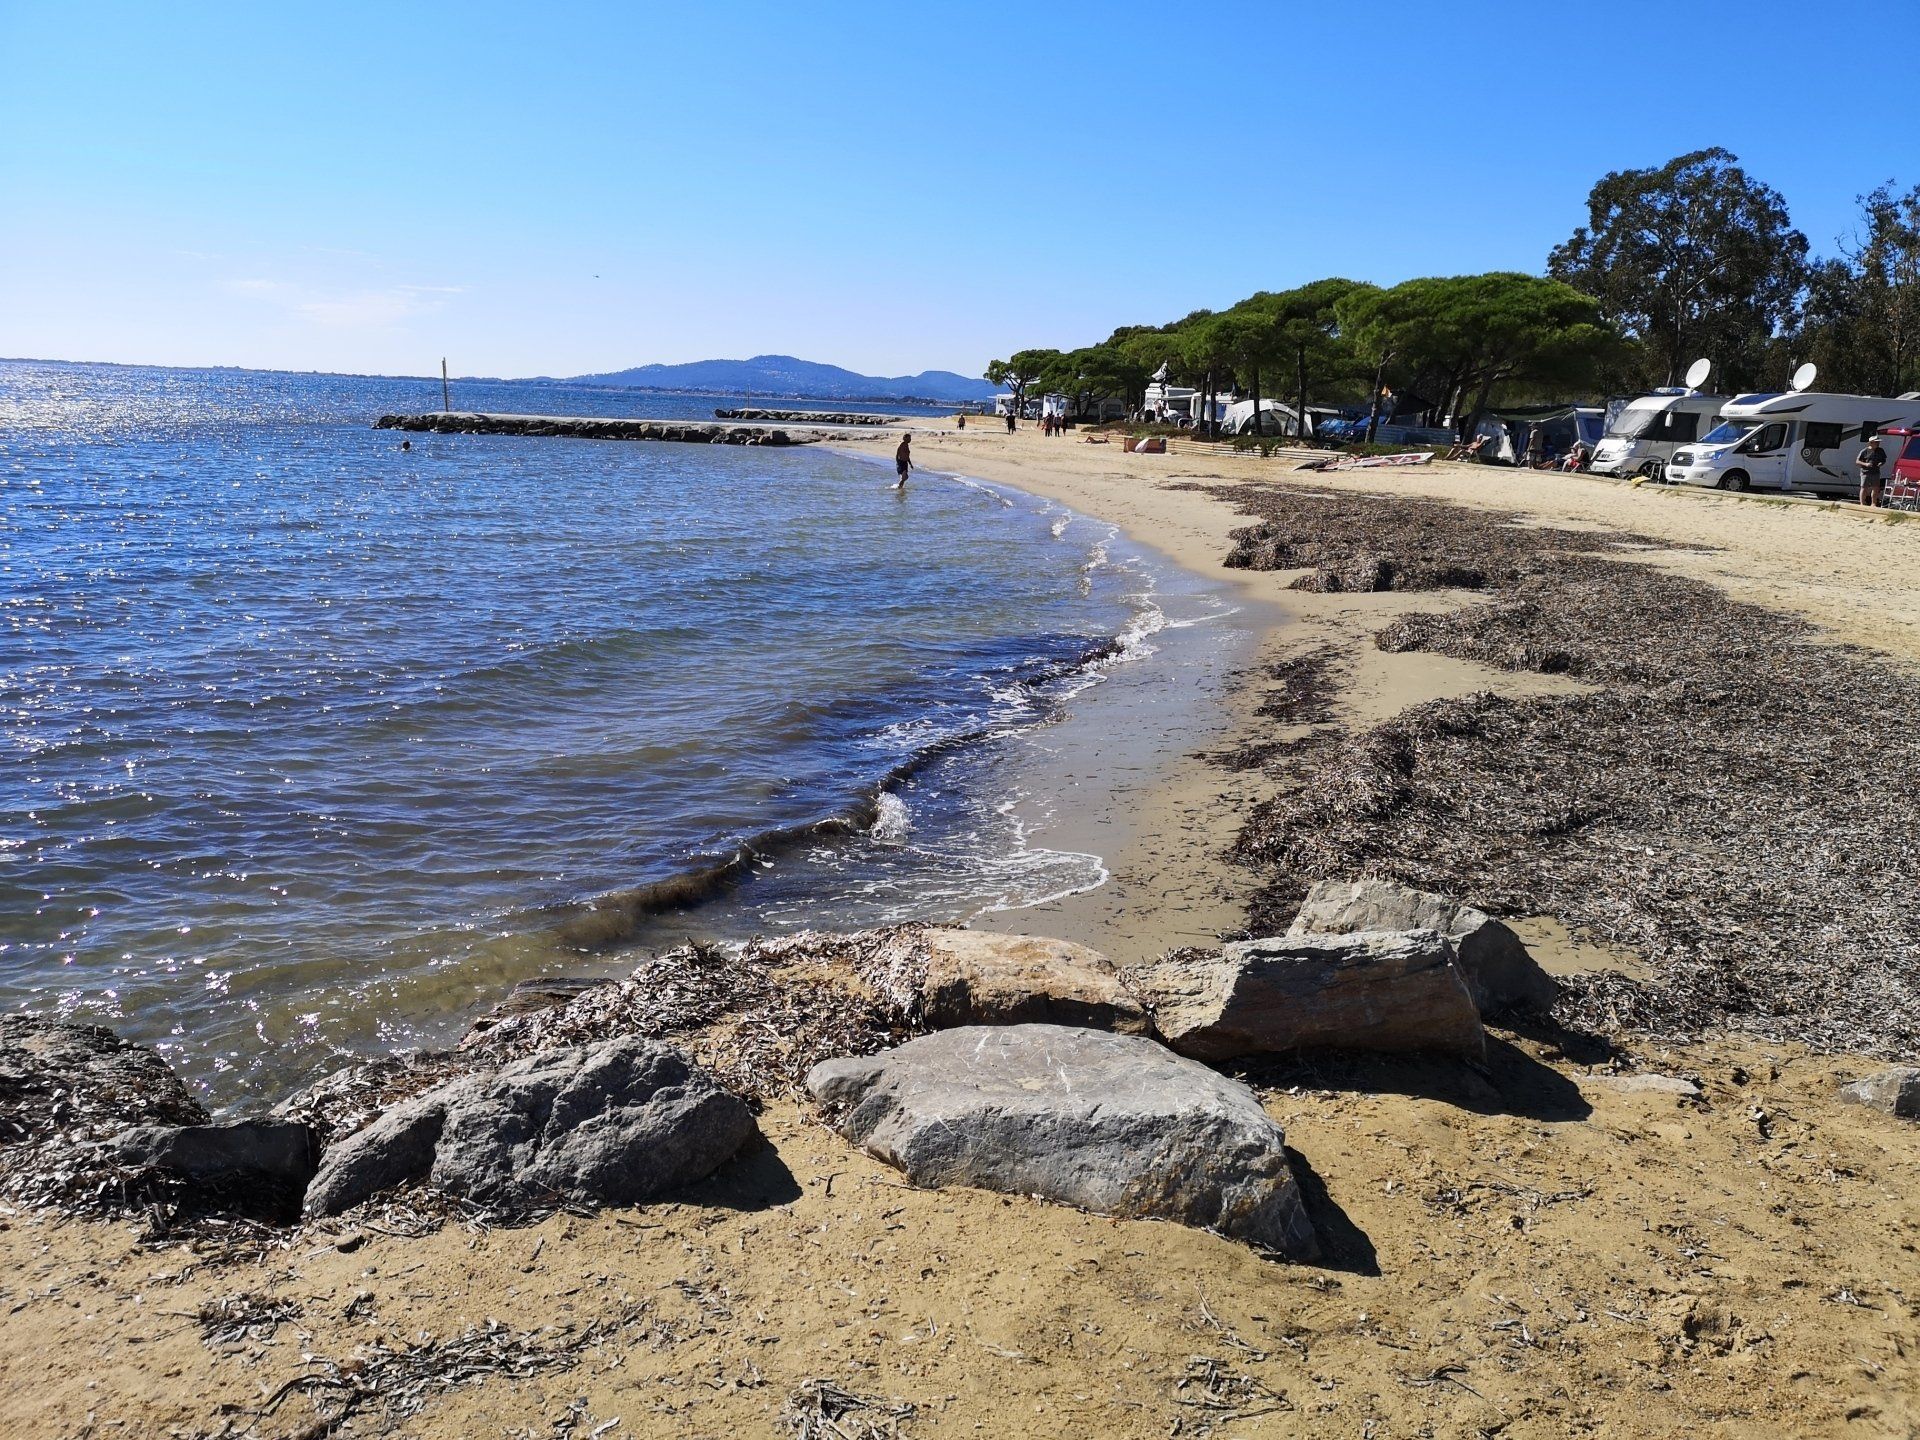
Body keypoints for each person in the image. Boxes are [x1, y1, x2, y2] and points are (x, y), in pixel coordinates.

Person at [1858, 433, 1889, 508]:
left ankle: (1873, 503)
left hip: (1876, 472)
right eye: (1876, 442)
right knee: (1864, 487)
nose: (1878, 443)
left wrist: (1881, 463)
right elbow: (1857, 461)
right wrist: (1866, 464)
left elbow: (1883, 460)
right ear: (1871, 443)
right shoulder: (1864, 451)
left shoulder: (1880, 450)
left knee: (1876, 488)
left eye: (1878, 442)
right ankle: (1862, 503)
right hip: (1865, 472)